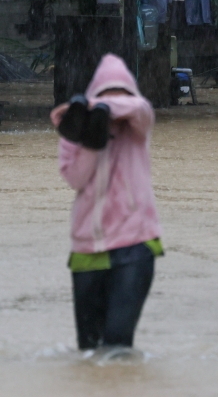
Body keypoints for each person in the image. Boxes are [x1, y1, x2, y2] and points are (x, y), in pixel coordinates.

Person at [50, 54, 163, 354]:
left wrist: (103, 108)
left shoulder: (139, 125)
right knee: (89, 352)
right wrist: (90, 139)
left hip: (135, 245)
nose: (115, 101)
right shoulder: (74, 127)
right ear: (93, 94)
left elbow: (140, 109)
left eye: (121, 94)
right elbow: (75, 178)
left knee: (116, 346)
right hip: (87, 249)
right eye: (105, 94)